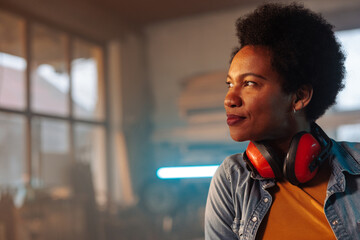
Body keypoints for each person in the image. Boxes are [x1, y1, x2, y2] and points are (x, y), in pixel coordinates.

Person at [204, 3, 360, 240]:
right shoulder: (231, 179)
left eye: (249, 83)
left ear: (299, 97)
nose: (229, 99)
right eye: (230, 84)